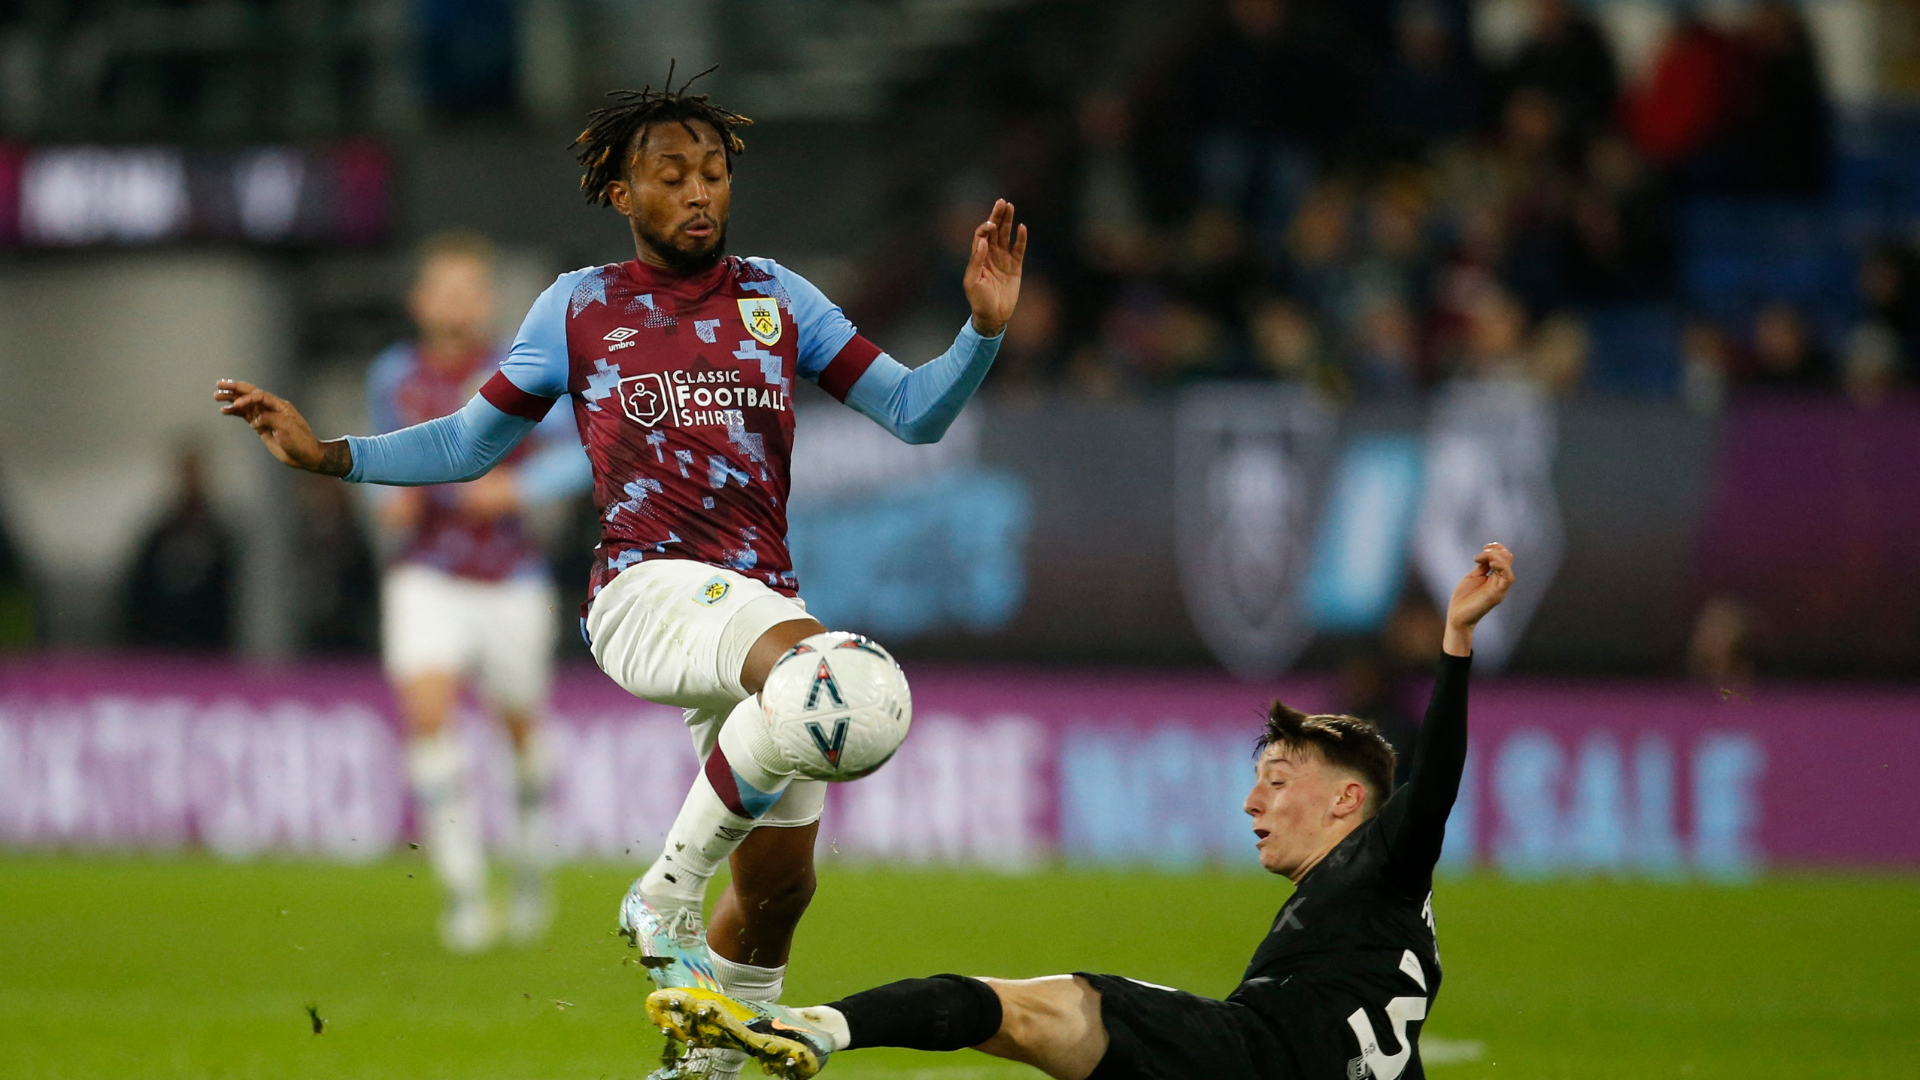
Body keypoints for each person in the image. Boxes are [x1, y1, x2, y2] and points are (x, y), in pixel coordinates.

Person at [215, 70, 1025, 1079]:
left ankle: (709, 1068)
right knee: (819, 673)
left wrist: (983, 330)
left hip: (754, 599)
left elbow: (915, 413)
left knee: (781, 890)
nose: (699, 194)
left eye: (714, 174)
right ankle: (665, 895)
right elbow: (472, 445)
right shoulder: (579, 308)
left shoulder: (780, 300)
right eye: (673, 175)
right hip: (645, 592)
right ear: (621, 193)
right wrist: (334, 456)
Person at [648, 544, 1515, 1080]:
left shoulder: (1386, 859)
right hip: (1268, 1051)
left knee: (1041, 1008)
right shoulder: (1379, 916)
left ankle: (813, 1025)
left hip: (1250, 1058)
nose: (1254, 800)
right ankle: (818, 1027)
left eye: (1280, 780)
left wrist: (1457, 644)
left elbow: (1433, 780)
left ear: (1350, 802)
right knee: (1029, 1012)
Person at [368, 231, 592, 952]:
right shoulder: (393, 375)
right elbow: (383, 450)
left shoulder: (519, 370)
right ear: (421, 301)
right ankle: (463, 892)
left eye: (472, 291)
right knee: (428, 716)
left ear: (488, 302)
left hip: (509, 577)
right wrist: (386, 495)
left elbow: (583, 454)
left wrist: (516, 489)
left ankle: (529, 864)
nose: (459, 305)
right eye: (447, 291)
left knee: (520, 730)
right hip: (427, 571)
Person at [124, 442, 238, 651]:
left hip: (210, 649)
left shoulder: (221, 536)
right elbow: (138, 593)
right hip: (160, 645)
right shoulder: (159, 534)